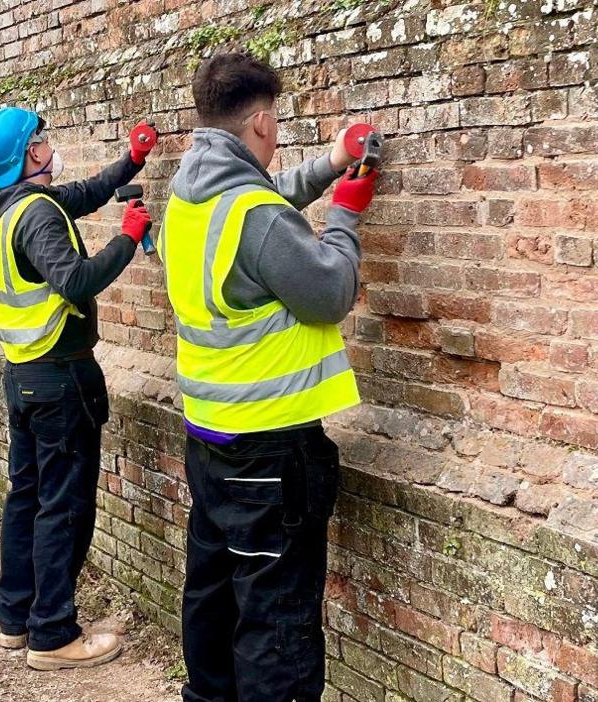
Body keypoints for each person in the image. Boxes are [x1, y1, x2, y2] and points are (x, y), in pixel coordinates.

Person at [159, 52, 379, 702]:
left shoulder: (191, 193)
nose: (277, 131)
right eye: (276, 120)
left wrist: (332, 162)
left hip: (212, 439)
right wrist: (345, 212)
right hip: (270, 452)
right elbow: (329, 290)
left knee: (214, 598)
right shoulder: (249, 212)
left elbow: (266, 207)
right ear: (259, 122)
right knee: (276, 624)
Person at [0, 107, 156, 671]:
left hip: (25, 377)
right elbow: (75, 279)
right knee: (64, 508)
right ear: (30, 153)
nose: (50, 146)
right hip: (59, 378)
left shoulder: (12, 207)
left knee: (27, 499)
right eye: (43, 140)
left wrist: (133, 158)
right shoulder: (36, 217)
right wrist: (127, 239)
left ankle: (17, 616)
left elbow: (84, 192)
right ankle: (53, 634)